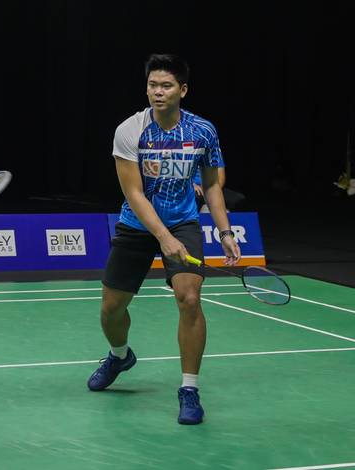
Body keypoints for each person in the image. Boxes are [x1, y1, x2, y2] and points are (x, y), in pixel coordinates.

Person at [87, 54, 241, 425]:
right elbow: (134, 193)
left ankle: (189, 389)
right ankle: (120, 355)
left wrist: (224, 230)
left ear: (182, 90)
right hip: (138, 224)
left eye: (166, 85)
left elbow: (211, 185)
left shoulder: (203, 132)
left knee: (189, 298)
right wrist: (163, 237)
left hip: (184, 220)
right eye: (153, 85)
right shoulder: (130, 130)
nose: (158, 92)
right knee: (111, 309)